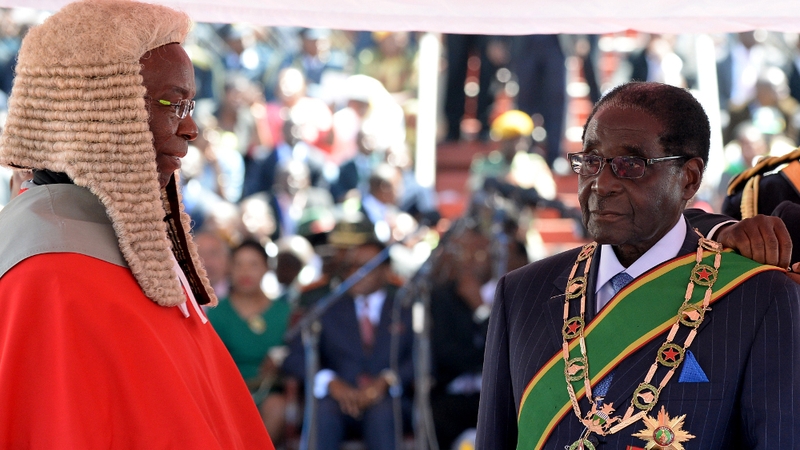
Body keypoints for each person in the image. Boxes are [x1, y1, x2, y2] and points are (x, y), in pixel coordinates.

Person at [0, 0, 274, 447]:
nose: (191, 130)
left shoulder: (122, 246)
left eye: (190, 104)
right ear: (96, 114)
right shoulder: (48, 275)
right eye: (172, 103)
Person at [476, 81, 800, 449]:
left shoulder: (759, 298)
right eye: (592, 161)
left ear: (689, 178)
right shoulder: (521, 293)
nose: (601, 184)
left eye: (629, 165)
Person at [282, 215, 414, 450]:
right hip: (337, 398)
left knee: (383, 413)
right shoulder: (326, 306)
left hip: (385, 400)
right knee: (323, 411)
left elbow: (421, 360)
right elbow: (295, 358)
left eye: (368, 267)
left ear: (386, 271)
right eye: (353, 267)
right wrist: (330, 382)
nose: (358, 274)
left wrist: (386, 381)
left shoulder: (403, 307)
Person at [206, 240, 291, 444]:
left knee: (276, 406)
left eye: (253, 264)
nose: (246, 272)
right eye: (239, 264)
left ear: (267, 268)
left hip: (269, 390)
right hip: (228, 392)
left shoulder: (284, 312)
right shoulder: (216, 313)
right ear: (229, 268)